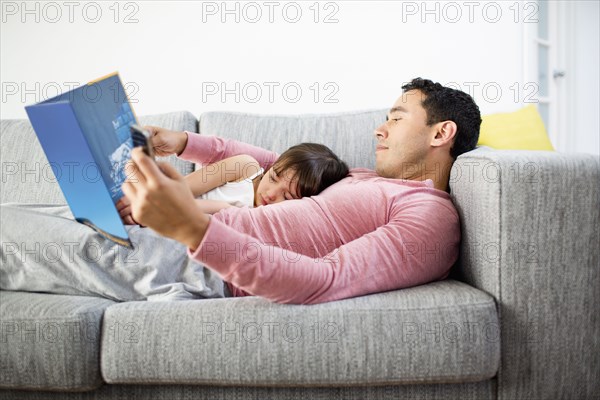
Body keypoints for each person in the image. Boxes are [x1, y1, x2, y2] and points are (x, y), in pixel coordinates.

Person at [120, 77, 482, 304]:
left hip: (203, 263)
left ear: (440, 133)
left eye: (397, 118)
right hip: (184, 235)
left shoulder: (430, 216)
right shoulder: (363, 177)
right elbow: (272, 166)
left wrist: (190, 228)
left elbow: (325, 281)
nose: (380, 130)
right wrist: (182, 141)